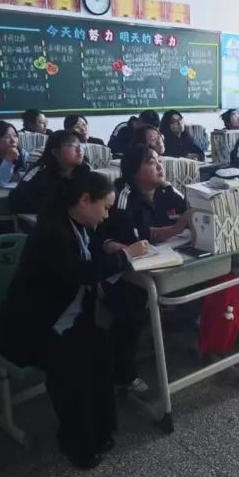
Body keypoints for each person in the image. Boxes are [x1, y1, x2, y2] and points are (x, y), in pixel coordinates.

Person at [0, 169, 148, 469]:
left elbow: (88, 252)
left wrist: (107, 247)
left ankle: (101, 430)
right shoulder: (51, 232)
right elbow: (81, 272)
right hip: (33, 327)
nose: (106, 215)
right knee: (74, 365)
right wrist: (126, 255)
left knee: (103, 348)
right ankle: (78, 444)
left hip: (67, 320)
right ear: (85, 200)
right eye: (105, 207)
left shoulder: (77, 223)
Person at [102, 144, 192, 391]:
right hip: (121, 270)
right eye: (151, 162)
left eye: (159, 160)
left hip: (158, 261)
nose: (160, 166)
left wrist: (186, 221)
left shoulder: (165, 189)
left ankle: (170, 332)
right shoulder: (122, 194)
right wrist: (175, 229)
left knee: (199, 282)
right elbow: (131, 236)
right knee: (132, 302)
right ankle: (124, 374)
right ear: (134, 170)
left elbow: (189, 210)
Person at [9, 130, 85, 216]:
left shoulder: (85, 170)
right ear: (55, 152)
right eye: (71, 145)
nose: (79, 150)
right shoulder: (40, 171)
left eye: (80, 146)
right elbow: (15, 200)